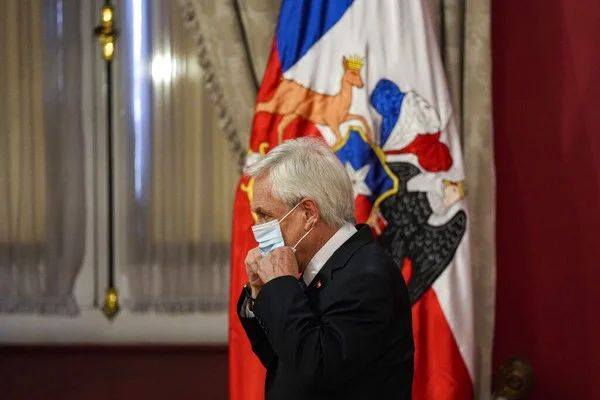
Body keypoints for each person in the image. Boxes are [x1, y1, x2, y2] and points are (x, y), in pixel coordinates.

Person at [238, 137, 414, 400]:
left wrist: (281, 285)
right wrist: (261, 291)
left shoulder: (367, 275)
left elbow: (317, 367)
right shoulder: (315, 266)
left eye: (266, 216)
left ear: (308, 213)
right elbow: (282, 358)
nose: (258, 229)